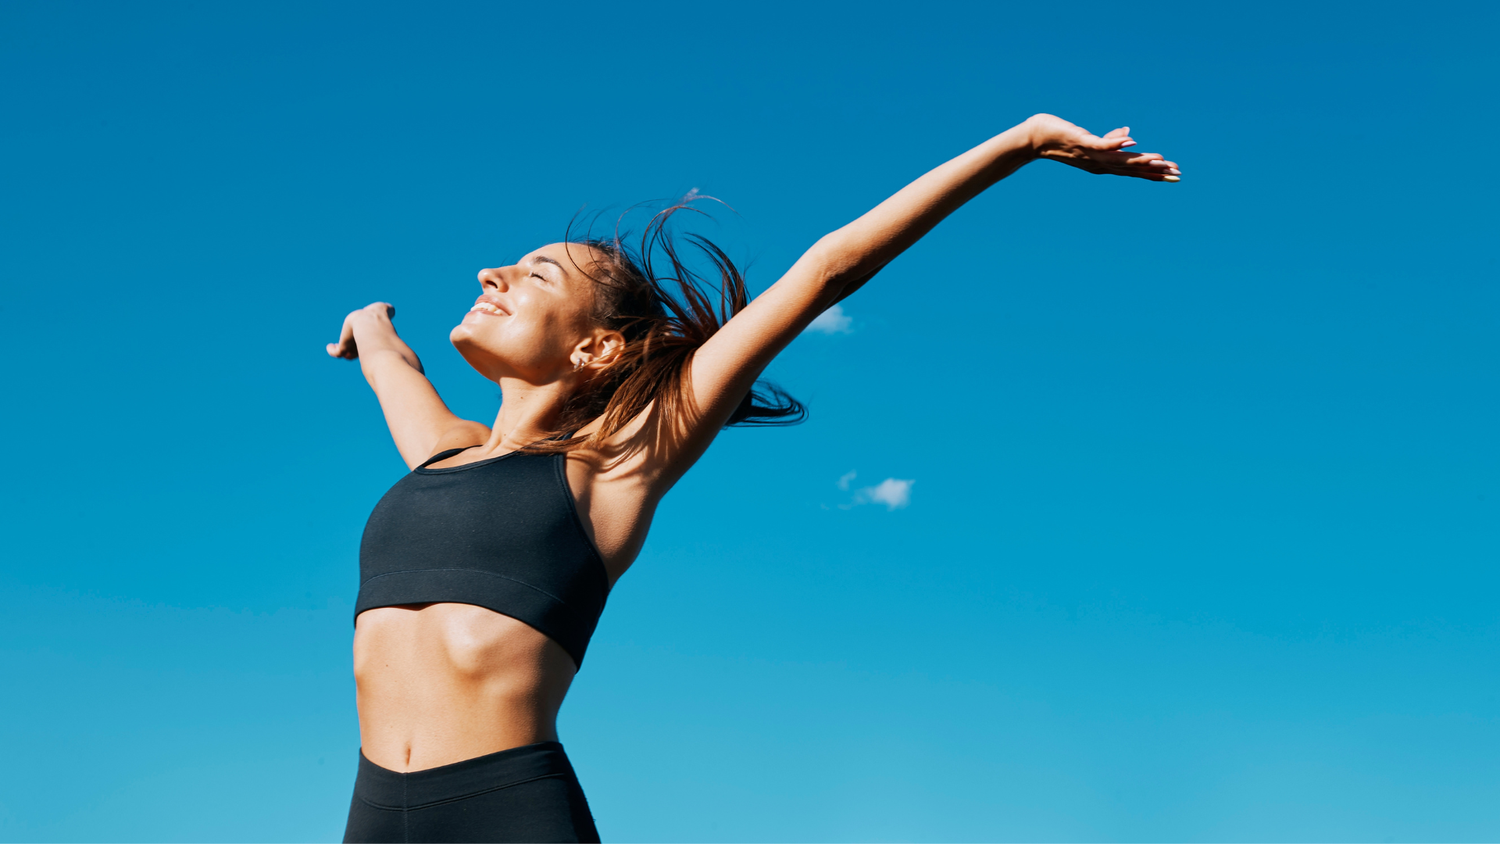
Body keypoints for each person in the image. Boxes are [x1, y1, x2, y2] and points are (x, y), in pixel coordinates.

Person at [327, 113, 1179, 843]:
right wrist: (370, 323)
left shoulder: (620, 460)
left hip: (503, 806)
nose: (492, 273)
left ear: (597, 348)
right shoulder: (443, 453)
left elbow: (826, 270)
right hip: (371, 812)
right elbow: (389, 362)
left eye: (536, 273)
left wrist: (1021, 142)